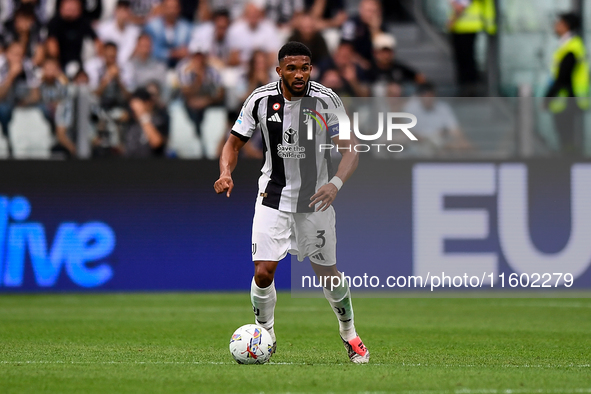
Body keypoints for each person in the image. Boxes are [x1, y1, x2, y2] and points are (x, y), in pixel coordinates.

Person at [214, 42, 369, 363]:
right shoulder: (260, 100)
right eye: (292, 68)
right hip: (273, 197)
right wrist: (225, 172)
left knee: (328, 274)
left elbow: (351, 150)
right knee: (263, 272)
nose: (299, 74)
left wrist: (335, 183)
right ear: (279, 70)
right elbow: (232, 144)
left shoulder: (326, 99)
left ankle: (350, 334)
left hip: (316, 201)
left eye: (305, 68)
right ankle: (264, 335)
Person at [545, 13, 589, 156]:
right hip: (569, 99)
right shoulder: (570, 46)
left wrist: (548, 97)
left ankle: (568, 160)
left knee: (566, 136)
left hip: (567, 100)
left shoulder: (571, 47)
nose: (555, 27)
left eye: (559, 23)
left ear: (566, 26)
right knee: (567, 136)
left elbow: (563, 77)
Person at [402, 82, 471, 157]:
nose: (428, 99)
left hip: (439, 142)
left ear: (434, 96)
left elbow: (454, 129)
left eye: (430, 96)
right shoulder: (410, 108)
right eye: (425, 96)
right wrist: (419, 138)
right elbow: (405, 131)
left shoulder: (444, 108)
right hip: (418, 142)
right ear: (420, 96)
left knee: (463, 146)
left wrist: (462, 141)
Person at [447, 0, 496, 95]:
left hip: (465, 25)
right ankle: (468, 85)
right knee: (465, 57)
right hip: (463, 26)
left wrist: (452, 21)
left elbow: (461, 5)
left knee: (466, 57)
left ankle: (469, 87)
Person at [177, 46, 224, 138]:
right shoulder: (185, 70)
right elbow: (185, 93)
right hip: (192, 103)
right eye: (196, 57)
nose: (199, 60)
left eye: (201, 57)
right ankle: (196, 132)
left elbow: (220, 93)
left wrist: (206, 101)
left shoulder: (213, 71)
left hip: (209, 101)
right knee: (189, 107)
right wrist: (198, 80)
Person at [46, 0, 101, 71]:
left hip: (81, 65)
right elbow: (52, 47)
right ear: (61, 6)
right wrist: (56, 65)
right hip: (59, 65)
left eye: (74, 3)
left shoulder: (83, 23)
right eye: (68, 3)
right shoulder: (54, 23)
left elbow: (97, 42)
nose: (71, 6)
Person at [144, 0, 193, 68]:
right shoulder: (152, 26)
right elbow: (150, 50)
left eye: (174, 7)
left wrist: (185, 52)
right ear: (163, 8)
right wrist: (171, 54)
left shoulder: (187, 27)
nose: (172, 11)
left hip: (181, 66)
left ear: (179, 9)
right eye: (169, 7)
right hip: (155, 66)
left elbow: (189, 49)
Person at [123, 87, 169, 157]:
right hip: (131, 165)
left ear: (148, 103)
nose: (134, 108)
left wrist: (142, 116)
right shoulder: (131, 122)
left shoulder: (158, 120)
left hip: (152, 165)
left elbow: (156, 143)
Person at [96, 0, 141, 66]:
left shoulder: (135, 32)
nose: (123, 14)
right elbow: (100, 51)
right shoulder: (103, 29)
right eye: (121, 10)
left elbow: (134, 53)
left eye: (126, 11)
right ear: (115, 11)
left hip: (128, 66)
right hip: (107, 65)